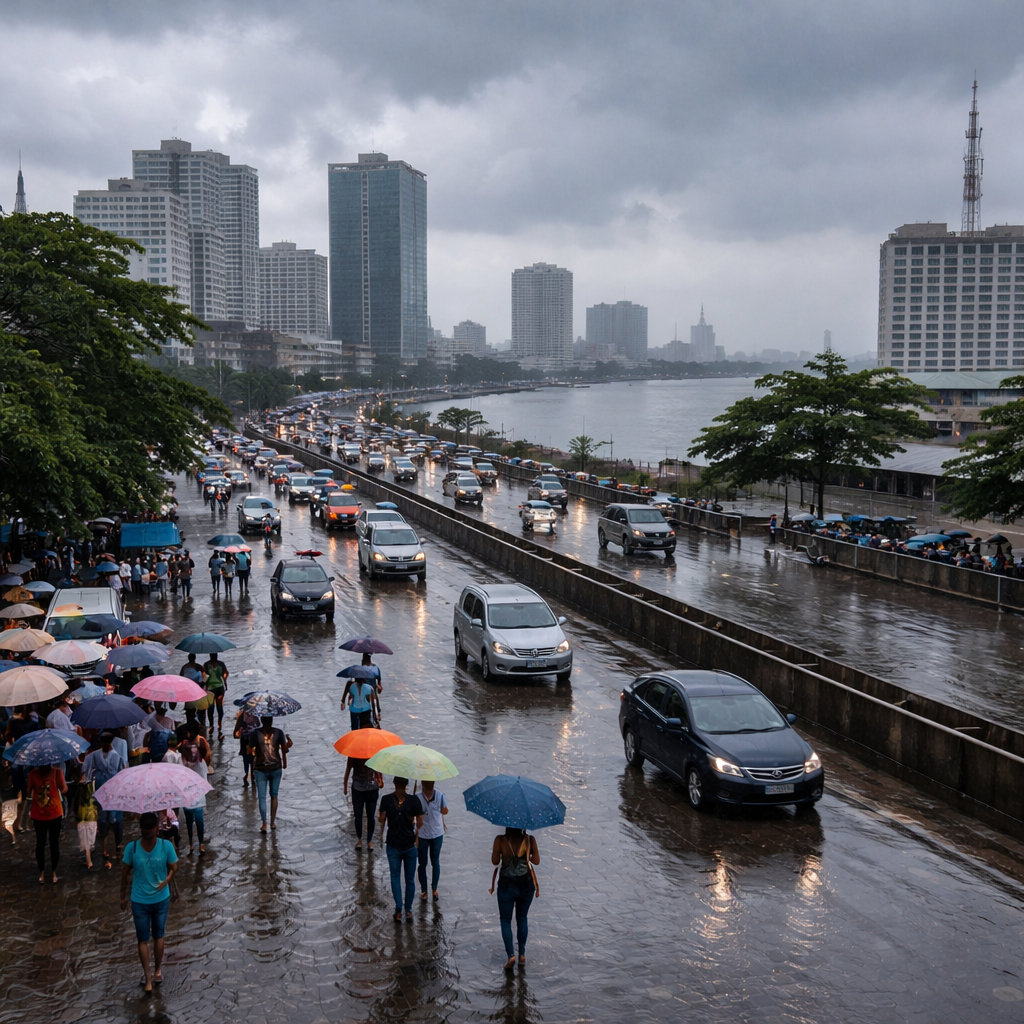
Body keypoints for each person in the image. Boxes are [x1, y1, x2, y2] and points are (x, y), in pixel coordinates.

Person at [121, 811, 179, 995]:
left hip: (158, 900)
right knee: (147, 938)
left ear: (155, 828)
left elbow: (174, 867)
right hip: (142, 901)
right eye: (144, 830)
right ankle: (150, 975)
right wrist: (122, 896)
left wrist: (167, 880)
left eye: (149, 829)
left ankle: (155, 972)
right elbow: (124, 873)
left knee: (155, 936)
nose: (147, 833)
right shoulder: (134, 848)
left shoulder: (165, 846)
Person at [490, 828, 540, 970]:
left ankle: (511, 955)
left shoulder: (500, 840)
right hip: (526, 885)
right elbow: (536, 861)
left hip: (507, 885)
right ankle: (522, 954)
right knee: (522, 918)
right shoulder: (530, 840)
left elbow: (495, 861)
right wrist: (526, 856)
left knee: (505, 920)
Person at [378, 776, 421, 921]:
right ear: (407, 784)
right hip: (410, 844)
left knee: (395, 877)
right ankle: (408, 910)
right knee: (410, 879)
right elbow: (420, 822)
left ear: (394, 784)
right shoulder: (414, 800)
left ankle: (398, 908)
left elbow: (381, 819)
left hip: (393, 844)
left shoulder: (386, 799)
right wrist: (415, 831)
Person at [83, 732, 126, 869]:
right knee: (103, 820)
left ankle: (117, 844)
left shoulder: (115, 756)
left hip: (113, 790)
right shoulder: (96, 756)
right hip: (102, 789)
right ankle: (105, 846)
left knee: (115, 819)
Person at [249, 717, 291, 833]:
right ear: (272, 720)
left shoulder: (255, 733)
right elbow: (285, 750)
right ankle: (272, 822)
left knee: (262, 797)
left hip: (260, 768)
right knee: (274, 795)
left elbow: (250, 750)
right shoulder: (279, 732)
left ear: (262, 720)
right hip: (276, 767)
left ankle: (264, 823)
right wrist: (289, 744)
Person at [28, 763, 67, 884]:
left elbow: (28, 792)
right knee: (51, 843)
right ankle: (51, 872)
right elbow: (65, 789)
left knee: (42, 843)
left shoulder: (36, 774)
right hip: (47, 813)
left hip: (47, 814)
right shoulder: (56, 772)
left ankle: (43, 872)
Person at [179, 724, 210, 855]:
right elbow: (207, 758)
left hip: (189, 785)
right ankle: (200, 843)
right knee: (198, 817)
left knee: (190, 817)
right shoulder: (201, 741)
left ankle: (192, 843)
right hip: (198, 785)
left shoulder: (183, 745)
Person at [343, 751, 383, 850]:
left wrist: (380, 780)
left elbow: (378, 770)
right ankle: (360, 839)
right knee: (358, 816)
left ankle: (369, 840)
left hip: (371, 789)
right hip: (358, 789)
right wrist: (345, 785)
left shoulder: (374, 754)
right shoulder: (353, 754)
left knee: (371, 816)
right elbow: (348, 768)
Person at [417, 780, 448, 901]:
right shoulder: (417, 798)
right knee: (422, 863)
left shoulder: (440, 795)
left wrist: (443, 809)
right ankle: (424, 890)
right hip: (423, 834)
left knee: (435, 861)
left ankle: (434, 888)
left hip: (437, 833)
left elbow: (445, 810)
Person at [202, 653, 229, 741]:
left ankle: (217, 723)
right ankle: (212, 725)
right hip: (212, 688)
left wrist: (224, 680)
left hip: (218, 688)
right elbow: (204, 676)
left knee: (218, 706)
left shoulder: (218, 664)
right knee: (211, 707)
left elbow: (225, 672)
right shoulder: (206, 665)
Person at [233, 706, 261, 786]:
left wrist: (239, 733)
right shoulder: (254, 715)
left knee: (248, 761)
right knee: (251, 761)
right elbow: (259, 726)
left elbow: (235, 733)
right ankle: (251, 778)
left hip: (246, 742)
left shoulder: (242, 716)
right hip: (250, 743)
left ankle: (248, 776)